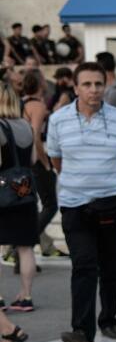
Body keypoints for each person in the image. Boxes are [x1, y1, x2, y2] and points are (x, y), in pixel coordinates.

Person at [45, 62, 116, 342]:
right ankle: (82, 331)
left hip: (112, 203)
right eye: (87, 84)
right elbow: (56, 161)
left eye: (98, 84)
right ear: (75, 88)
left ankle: (109, 320)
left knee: (111, 266)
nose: (94, 90)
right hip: (75, 205)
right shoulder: (58, 120)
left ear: (105, 86)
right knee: (83, 266)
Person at [21, 70, 67, 262]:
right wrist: (46, 163)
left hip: (21, 159)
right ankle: (22, 246)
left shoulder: (21, 102)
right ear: (41, 84)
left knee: (34, 206)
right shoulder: (37, 106)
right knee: (50, 206)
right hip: (36, 161)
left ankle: (25, 247)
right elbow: (35, 137)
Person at [0, 84, 38, 314]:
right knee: (26, 247)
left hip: (2, 195)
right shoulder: (25, 126)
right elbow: (31, 159)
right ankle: (26, 296)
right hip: (24, 194)